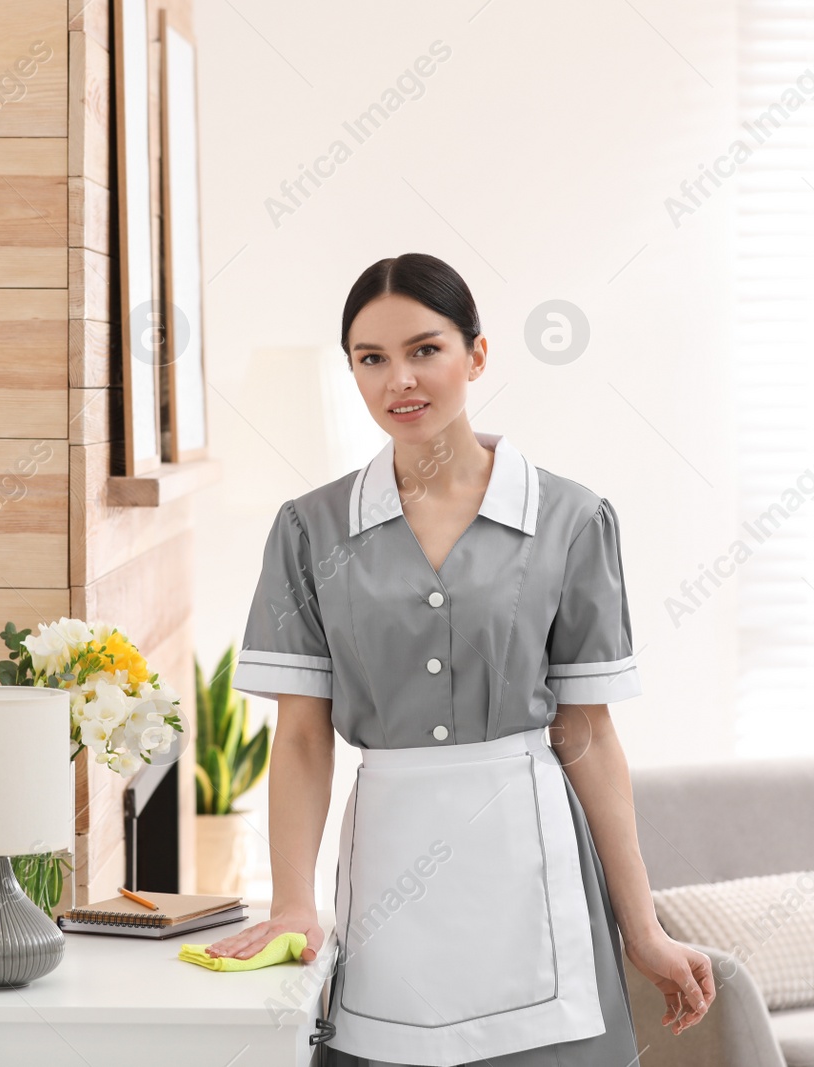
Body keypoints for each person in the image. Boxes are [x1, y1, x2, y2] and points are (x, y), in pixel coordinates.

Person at [205, 252, 715, 1065]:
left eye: (425, 349)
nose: (398, 379)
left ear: (477, 355)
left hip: (533, 873)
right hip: (388, 878)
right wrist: (295, 901)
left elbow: (586, 734)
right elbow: (302, 737)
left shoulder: (572, 519)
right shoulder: (309, 529)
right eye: (371, 358)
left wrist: (642, 925)